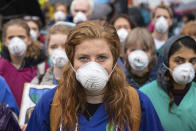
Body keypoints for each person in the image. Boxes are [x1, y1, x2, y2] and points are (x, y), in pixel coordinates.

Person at [26, 20, 163, 131]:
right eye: (83, 58)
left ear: (115, 61)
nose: (93, 65)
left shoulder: (137, 104)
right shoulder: (51, 104)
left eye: (101, 58)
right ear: (72, 61)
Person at [140, 35, 196, 131]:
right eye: (179, 61)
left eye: (192, 61)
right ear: (166, 61)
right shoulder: (145, 95)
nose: (187, 67)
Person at [0, 19, 46, 107]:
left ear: (29, 40)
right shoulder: (1, 66)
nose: (16, 41)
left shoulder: (41, 67)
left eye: (21, 37)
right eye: (11, 37)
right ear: (5, 41)